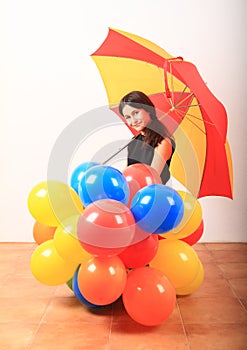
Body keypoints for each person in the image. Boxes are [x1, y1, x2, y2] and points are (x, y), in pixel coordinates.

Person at [119, 91, 176, 184]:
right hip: (132, 193)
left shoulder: (163, 142)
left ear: (148, 110)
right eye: (128, 117)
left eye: (136, 113)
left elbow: (153, 180)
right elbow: (126, 175)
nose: (133, 121)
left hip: (152, 195)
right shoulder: (133, 142)